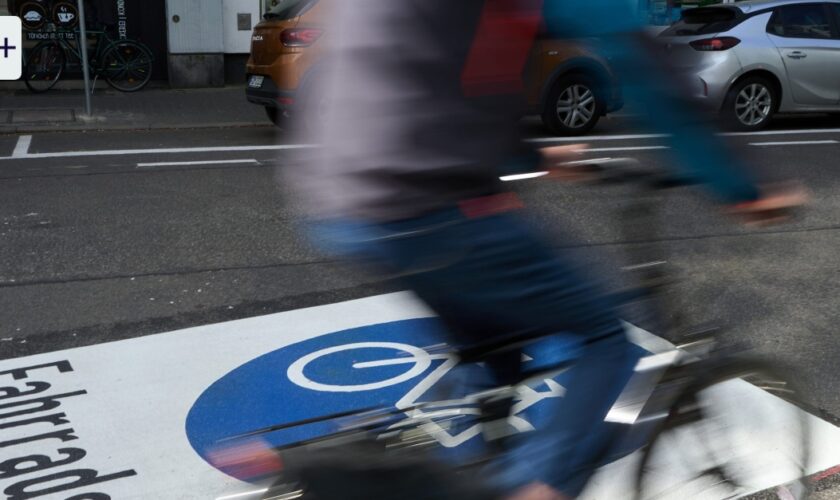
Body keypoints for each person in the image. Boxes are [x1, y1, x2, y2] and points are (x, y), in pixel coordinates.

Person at [287, 1, 806, 498]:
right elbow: (642, 66)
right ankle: (533, 488)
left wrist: (531, 152)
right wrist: (745, 185)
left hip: (342, 199)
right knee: (606, 341)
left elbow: (432, 70)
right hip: (427, 204)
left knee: (499, 344)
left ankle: (481, 457)